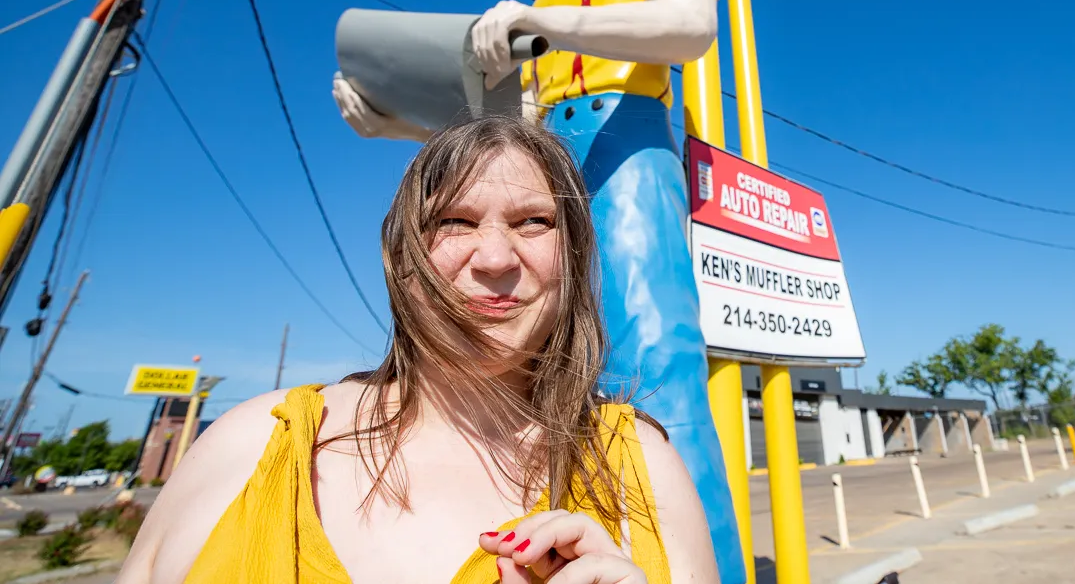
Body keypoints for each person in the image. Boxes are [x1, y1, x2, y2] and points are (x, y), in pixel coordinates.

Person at [332, 0, 744, 582]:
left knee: (651, 361)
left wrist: (540, 21)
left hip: (624, 136)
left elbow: (690, 24)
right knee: (558, 378)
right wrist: (397, 125)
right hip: (547, 162)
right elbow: (519, 121)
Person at [115, 116, 721, 584]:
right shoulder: (252, 444)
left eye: (534, 222)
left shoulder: (639, 468)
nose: (494, 260)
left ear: (574, 257)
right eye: (453, 222)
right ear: (400, 258)